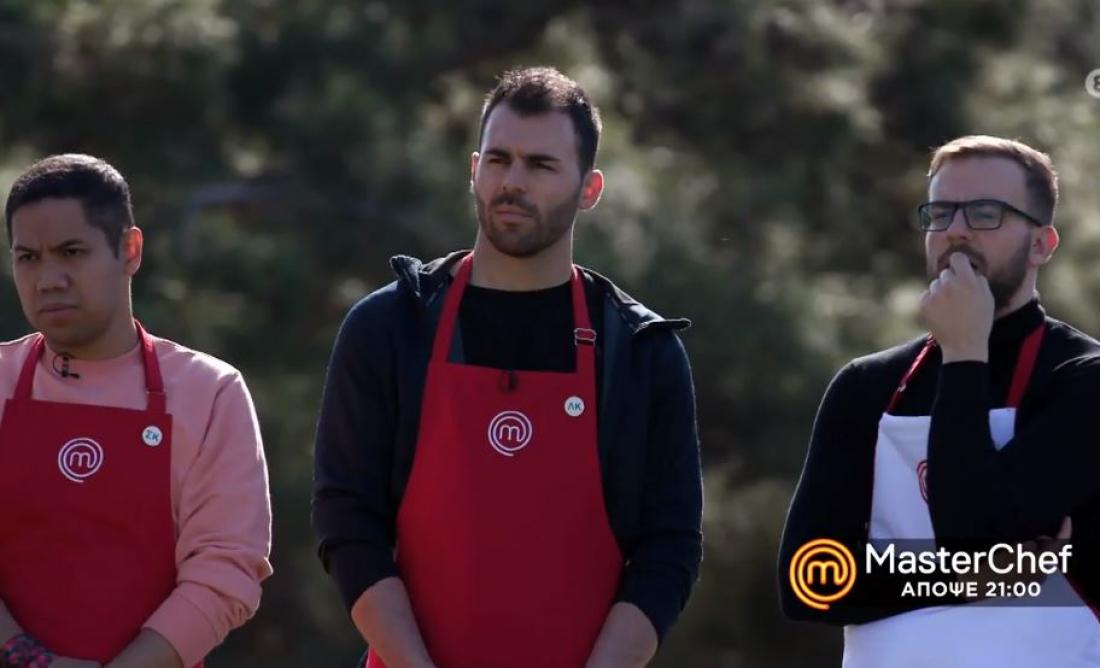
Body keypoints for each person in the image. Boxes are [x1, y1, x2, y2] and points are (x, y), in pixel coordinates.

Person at [312, 66, 703, 668]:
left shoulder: (640, 352)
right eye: (498, 160)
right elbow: (346, 520)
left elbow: (669, 548)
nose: (512, 182)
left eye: (541, 166)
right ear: (474, 169)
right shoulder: (391, 328)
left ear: (590, 189)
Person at [778, 135, 1100, 666]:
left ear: (1042, 245)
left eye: (986, 213)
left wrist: (966, 353)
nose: (956, 230)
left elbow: (972, 535)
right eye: (941, 212)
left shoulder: (1081, 380)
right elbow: (807, 582)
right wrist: (969, 578)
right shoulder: (867, 385)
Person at [0, 155, 273, 668]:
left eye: (71, 252)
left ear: (130, 250)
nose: (48, 279)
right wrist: (24, 657)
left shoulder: (209, 393)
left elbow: (226, 570)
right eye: (28, 258)